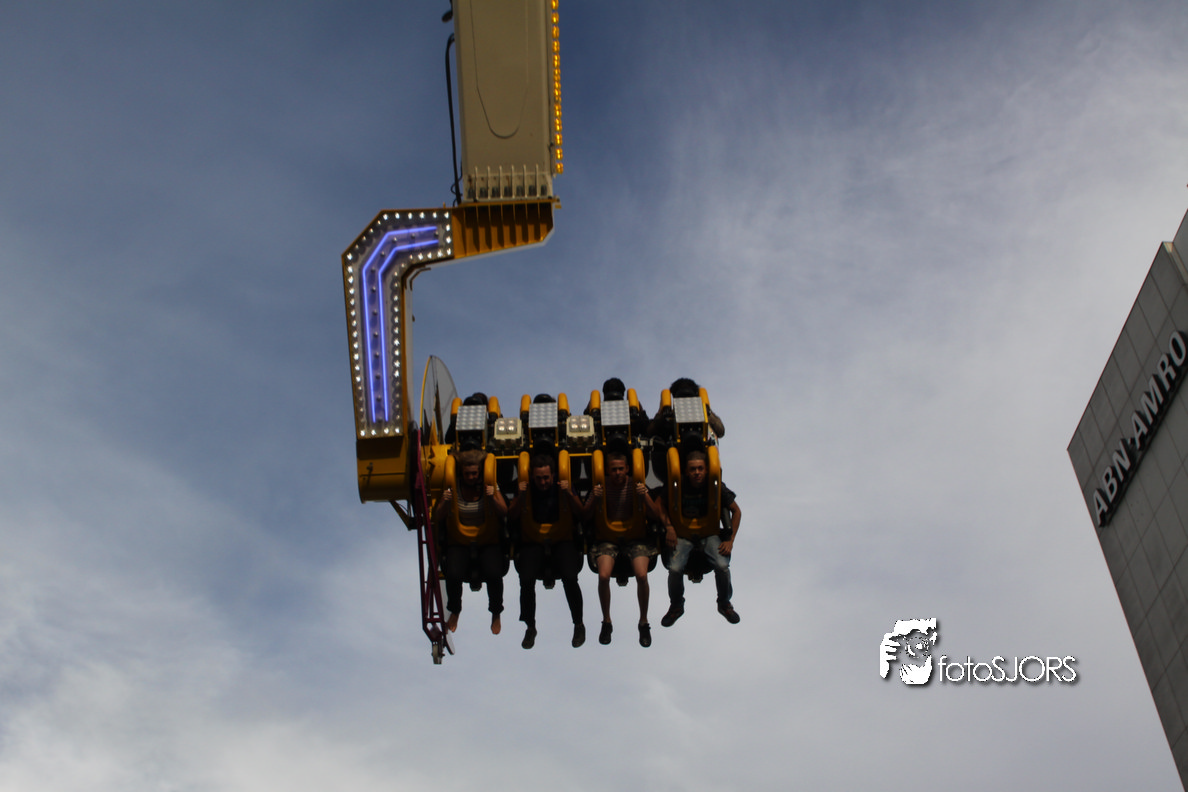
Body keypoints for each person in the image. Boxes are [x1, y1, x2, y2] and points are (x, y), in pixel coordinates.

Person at [506, 454, 587, 649]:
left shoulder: (563, 485)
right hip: (533, 540)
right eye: (538, 478)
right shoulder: (525, 487)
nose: (542, 482)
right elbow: (511, 516)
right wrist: (521, 496)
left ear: (553, 475)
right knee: (526, 579)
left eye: (546, 478)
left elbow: (581, 513)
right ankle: (530, 626)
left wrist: (569, 494)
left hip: (562, 539)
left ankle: (578, 624)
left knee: (570, 577)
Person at [587, 451, 665, 647]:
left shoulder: (637, 485)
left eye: (621, 469)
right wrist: (594, 499)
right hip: (608, 539)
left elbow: (656, 515)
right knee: (603, 576)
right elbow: (584, 515)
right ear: (607, 470)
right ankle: (606, 621)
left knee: (642, 575)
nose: (617, 473)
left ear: (628, 469)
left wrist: (644, 496)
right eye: (613, 470)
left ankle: (644, 622)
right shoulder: (600, 486)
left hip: (635, 538)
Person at [658, 450, 742, 627]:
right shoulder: (678, 484)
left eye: (700, 468)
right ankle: (676, 605)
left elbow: (736, 511)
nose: (697, 472)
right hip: (683, 534)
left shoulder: (716, 485)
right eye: (693, 469)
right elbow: (659, 504)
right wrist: (669, 527)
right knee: (675, 568)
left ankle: (724, 603)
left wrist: (730, 540)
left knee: (722, 565)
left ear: (706, 469)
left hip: (708, 534)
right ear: (686, 471)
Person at [432, 449, 509, 635]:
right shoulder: (453, 487)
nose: (471, 477)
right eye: (467, 474)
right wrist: (445, 502)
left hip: (486, 540)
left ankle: (496, 612)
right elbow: (437, 516)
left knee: (494, 574)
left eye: (474, 473)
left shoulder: (490, 485)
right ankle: (455, 610)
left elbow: (503, 511)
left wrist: (492, 497)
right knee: (453, 574)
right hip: (459, 541)